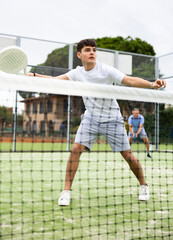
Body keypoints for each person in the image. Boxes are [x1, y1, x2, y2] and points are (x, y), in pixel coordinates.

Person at [28, 39, 166, 206]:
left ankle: (143, 186)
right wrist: (34, 76)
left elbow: (129, 80)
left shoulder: (105, 70)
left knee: (128, 155)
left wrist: (152, 85)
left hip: (112, 119)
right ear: (80, 55)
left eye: (94, 50)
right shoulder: (77, 73)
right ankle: (66, 191)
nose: (92, 52)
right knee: (76, 149)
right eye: (87, 50)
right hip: (91, 118)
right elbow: (55, 80)